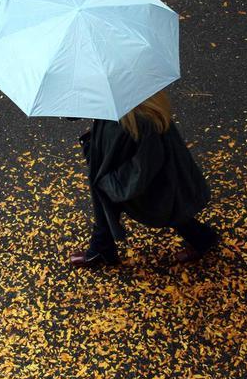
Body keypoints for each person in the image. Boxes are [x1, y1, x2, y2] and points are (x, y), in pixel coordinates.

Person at [70, 90, 219, 267]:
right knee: (109, 203)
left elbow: (146, 163)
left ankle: (202, 238)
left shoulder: (140, 118)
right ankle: (101, 248)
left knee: (166, 207)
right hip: (126, 169)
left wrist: (113, 181)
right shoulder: (125, 98)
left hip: (143, 176)